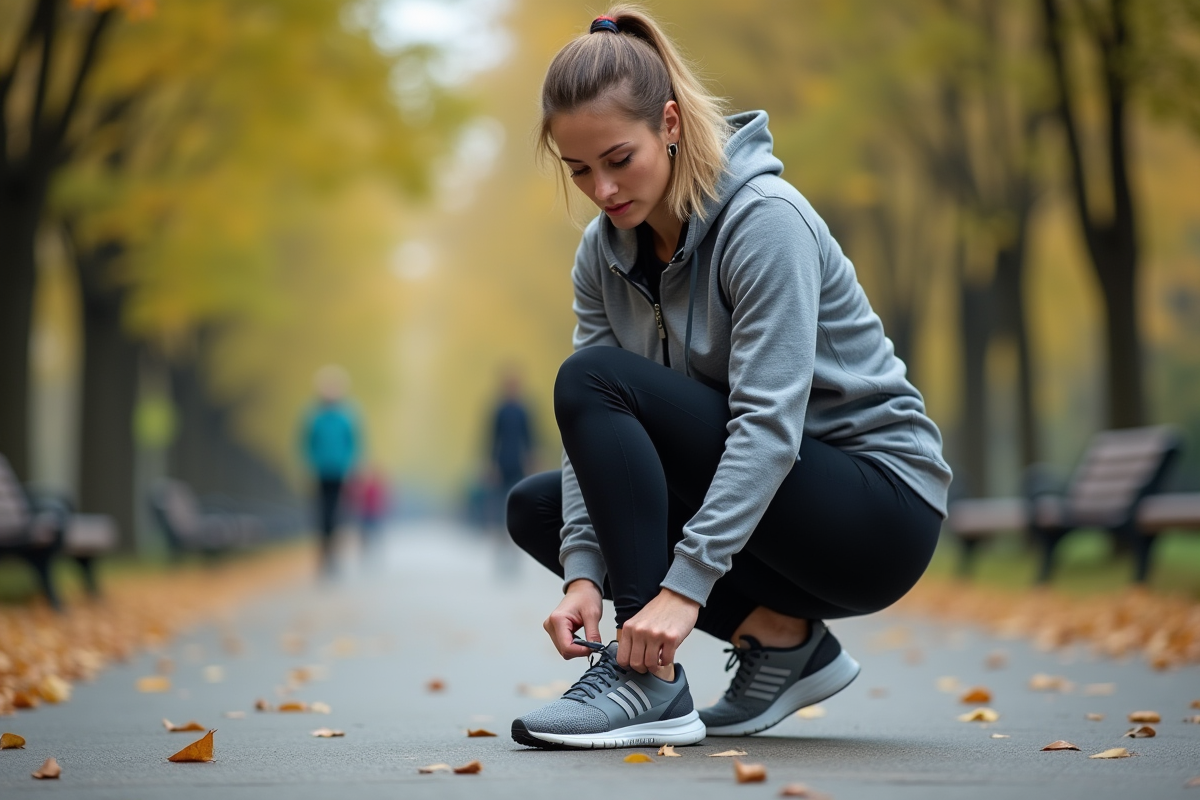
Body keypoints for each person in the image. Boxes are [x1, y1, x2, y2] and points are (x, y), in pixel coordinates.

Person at [505, 6, 952, 750]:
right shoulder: (603, 254)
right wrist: (582, 572)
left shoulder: (764, 221)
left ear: (670, 124)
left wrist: (679, 592)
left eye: (619, 159)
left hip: (878, 513)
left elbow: (769, 429)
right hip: (778, 527)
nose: (603, 190)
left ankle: (647, 679)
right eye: (579, 169)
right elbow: (597, 444)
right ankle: (779, 641)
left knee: (592, 378)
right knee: (535, 509)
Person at [300, 365, 360, 576]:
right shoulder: (313, 415)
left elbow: (354, 443)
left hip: (341, 473)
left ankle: (333, 554)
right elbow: (306, 443)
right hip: (319, 471)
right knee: (321, 515)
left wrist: (352, 467)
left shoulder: (347, 416)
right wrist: (309, 465)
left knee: (337, 514)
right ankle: (323, 553)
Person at [489, 369, 535, 529]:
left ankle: (515, 530)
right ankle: (501, 532)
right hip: (502, 462)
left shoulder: (523, 411)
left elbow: (529, 438)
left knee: (517, 498)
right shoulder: (499, 410)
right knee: (501, 500)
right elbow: (492, 439)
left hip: (519, 462)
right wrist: (491, 464)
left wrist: (532, 461)